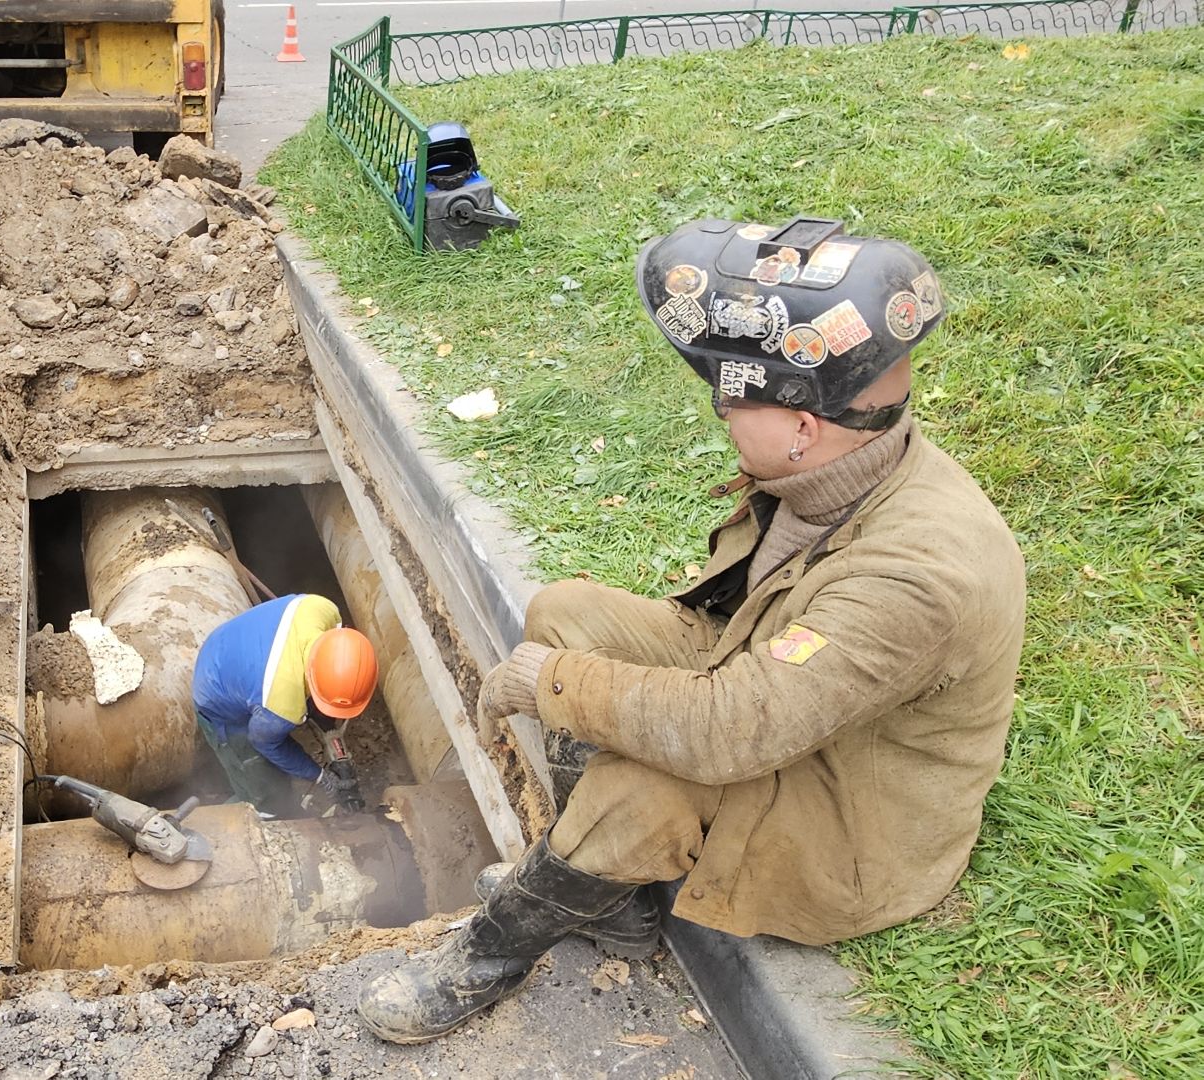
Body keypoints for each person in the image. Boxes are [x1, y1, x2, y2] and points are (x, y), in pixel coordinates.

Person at [359, 217, 1025, 1043]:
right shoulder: (844, 460)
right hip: (787, 691)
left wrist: (550, 687)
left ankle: (490, 954)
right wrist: (571, 669)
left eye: (731, 399)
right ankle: (620, 905)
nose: (720, 417)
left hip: (853, 817)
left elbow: (730, 732)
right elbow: (754, 669)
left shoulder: (915, 576)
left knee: (639, 789)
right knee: (565, 616)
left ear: (802, 426)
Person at [191, 594, 379, 816]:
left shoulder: (322, 609)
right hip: (215, 694)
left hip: (231, 642)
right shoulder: (280, 704)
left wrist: (331, 735)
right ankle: (233, 821)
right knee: (267, 795)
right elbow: (265, 742)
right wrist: (321, 777)